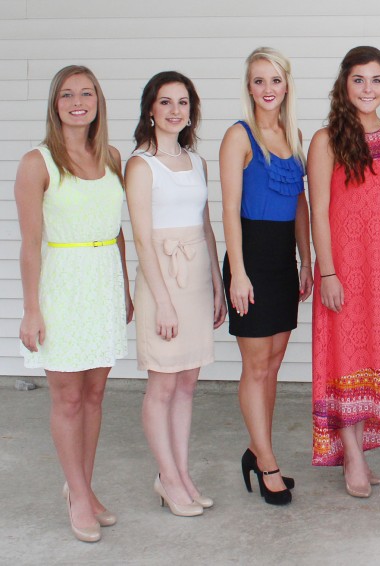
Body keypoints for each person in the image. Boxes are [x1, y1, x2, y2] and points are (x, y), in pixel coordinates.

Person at [15, 65, 132, 542]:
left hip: (102, 283)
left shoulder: (113, 157)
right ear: (55, 104)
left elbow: (118, 231)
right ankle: (79, 497)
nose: (78, 101)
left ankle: (81, 486)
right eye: (67, 94)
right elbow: (28, 243)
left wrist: (124, 288)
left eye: (86, 93)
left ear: (98, 100)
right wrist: (30, 309)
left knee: (95, 394)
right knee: (66, 397)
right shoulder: (37, 162)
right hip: (61, 286)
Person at [308, 46, 380, 498]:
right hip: (345, 269)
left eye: (376, 80)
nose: (367, 89)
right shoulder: (326, 139)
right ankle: (350, 452)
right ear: (343, 84)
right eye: (358, 80)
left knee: (374, 354)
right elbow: (317, 211)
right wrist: (327, 272)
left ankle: (359, 449)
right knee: (344, 357)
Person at [125, 71, 227, 517]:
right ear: (151, 109)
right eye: (165, 102)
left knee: (187, 382)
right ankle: (166, 477)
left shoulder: (196, 161)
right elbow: (143, 238)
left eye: (182, 103)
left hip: (197, 276)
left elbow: (205, 227)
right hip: (161, 278)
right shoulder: (140, 165)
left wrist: (218, 287)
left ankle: (182, 474)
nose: (174, 111)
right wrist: (162, 300)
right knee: (163, 382)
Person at [220, 47, 312, 505]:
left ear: (287, 84)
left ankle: (258, 451)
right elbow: (230, 213)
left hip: (282, 260)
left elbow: (299, 203)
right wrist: (237, 272)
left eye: (274, 80)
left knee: (273, 363)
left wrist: (307, 258)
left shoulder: (294, 135)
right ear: (249, 87)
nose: (267, 89)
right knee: (256, 365)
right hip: (251, 257)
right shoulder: (238, 137)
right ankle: (268, 463)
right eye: (259, 81)